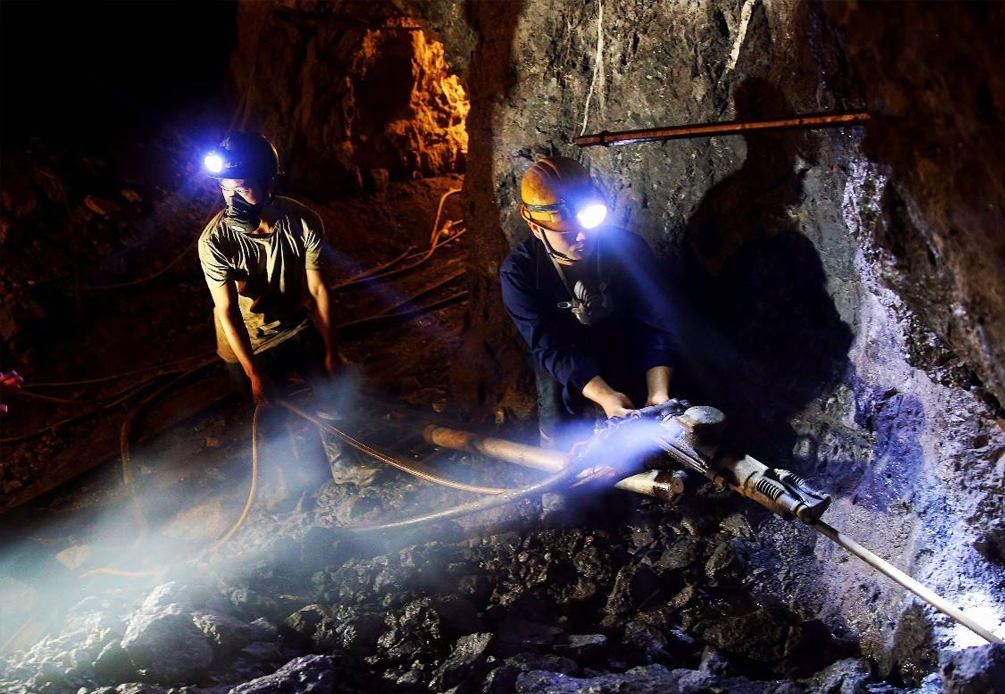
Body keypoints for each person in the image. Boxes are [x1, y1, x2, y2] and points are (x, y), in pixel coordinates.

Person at [198, 131, 376, 500]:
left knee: (332, 390)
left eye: (243, 188)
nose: (233, 200)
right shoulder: (214, 242)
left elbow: (319, 290)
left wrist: (332, 351)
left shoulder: (302, 221)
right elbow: (227, 312)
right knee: (272, 415)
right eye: (226, 189)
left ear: (268, 183)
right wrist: (254, 372)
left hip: (292, 324)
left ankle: (344, 463)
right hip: (245, 342)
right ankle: (294, 482)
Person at [500, 157, 677, 447]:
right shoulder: (519, 272)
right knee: (557, 417)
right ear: (535, 227)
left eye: (588, 225)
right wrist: (606, 397)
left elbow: (656, 322)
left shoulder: (627, 249)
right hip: (564, 360)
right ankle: (557, 460)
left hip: (624, 349)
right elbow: (549, 347)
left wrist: (659, 393)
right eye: (568, 232)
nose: (582, 237)